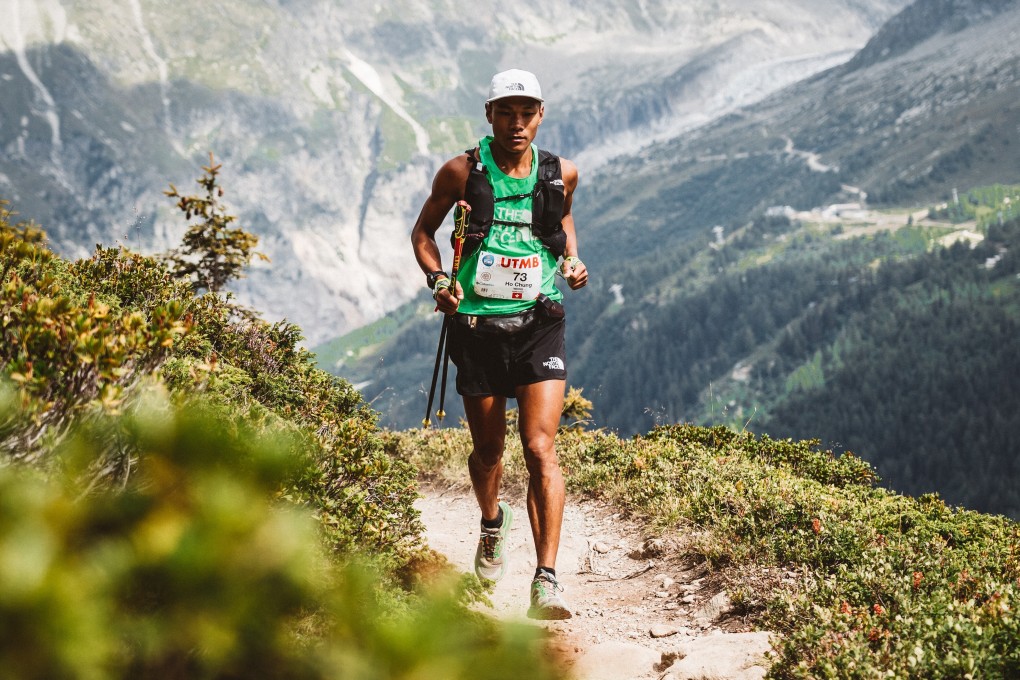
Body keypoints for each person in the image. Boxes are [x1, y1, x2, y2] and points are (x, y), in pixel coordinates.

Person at [410, 68, 588, 620]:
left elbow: (562, 224)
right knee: (488, 452)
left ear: (541, 115)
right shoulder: (462, 171)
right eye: (506, 112)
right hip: (476, 329)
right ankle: (492, 523)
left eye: (527, 112)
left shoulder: (562, 173)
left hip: (539, 322)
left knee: (539, 448)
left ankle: (547, 579)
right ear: (489, 114)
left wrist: (571, 262)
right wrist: (440, 281)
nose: (517, 123)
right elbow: (422, 234)